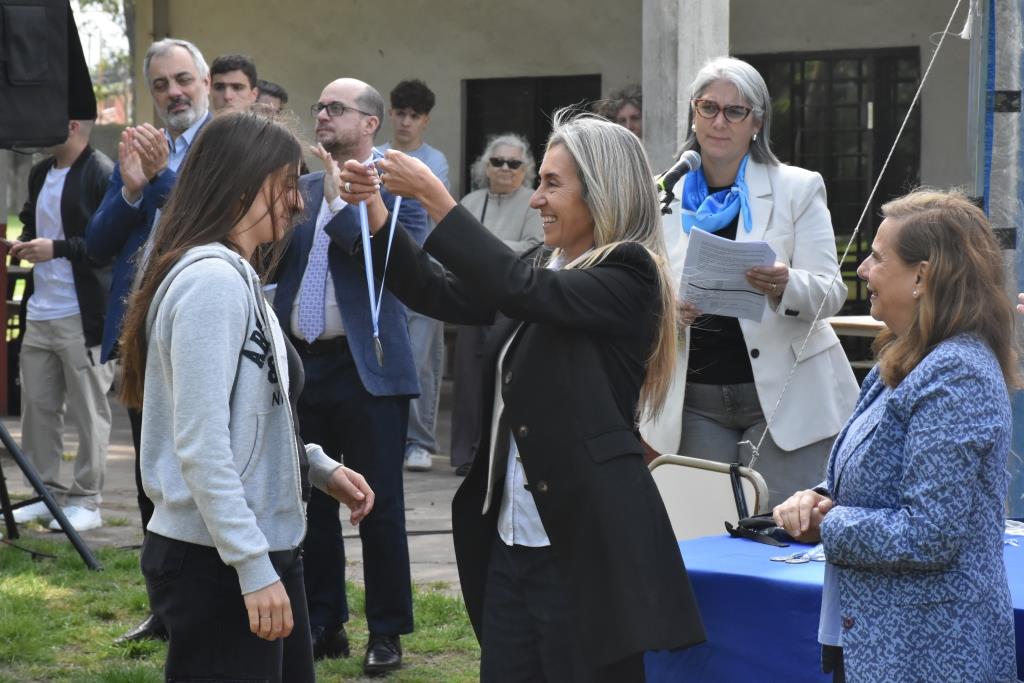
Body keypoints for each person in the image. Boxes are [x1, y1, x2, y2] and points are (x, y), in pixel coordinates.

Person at [338, 110, 706, 682]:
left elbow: (521, 289)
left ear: (601, 193)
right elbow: (436, 290)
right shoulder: (542, 264)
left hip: (582, 545)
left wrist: (435, 197)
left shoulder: (630, 274)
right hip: (513, 539)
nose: (536, 200)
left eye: (552, 184)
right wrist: (376, 211)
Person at [116, 111, 374, 683]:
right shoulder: (211, 283)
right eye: (286, 184)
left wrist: (313, 466)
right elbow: (202, 446)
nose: (299, 201)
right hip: (220, 558)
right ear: (240, 184)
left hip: (247, 546)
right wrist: (253, 568)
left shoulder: (236, 275)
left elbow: (248, 416)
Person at [774, 189, 1018, 683]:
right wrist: (814, 500)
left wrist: (829, 524)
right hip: (882, 644)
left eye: (878, 258)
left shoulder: (956, 374)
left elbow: (930, 534)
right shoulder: (908, 360)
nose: (863, 270)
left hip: (930, 655)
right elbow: (873, 483)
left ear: (922, 277)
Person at [644, 56, 858, 504]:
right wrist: (665, 307)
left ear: (756, 123)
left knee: (780, 525)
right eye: (708, 107)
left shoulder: (797, 187)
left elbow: (831, 292)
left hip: (785, 397)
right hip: (695, 398)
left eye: (735, 111)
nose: (719, 121)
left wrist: (785, 285)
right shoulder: (663, 192)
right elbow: (638, 286)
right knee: (706, 525)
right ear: (693, 114)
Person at [270, 77, 426, 674]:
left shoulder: (401, 188)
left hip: (369, 369)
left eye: (336, 108)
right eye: (319, 106)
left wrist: (341, 205)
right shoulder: (302, 188)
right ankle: (324, 620)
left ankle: (386, 631)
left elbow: (392, 264)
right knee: (309, 499)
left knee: (379, 505)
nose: (322, 115)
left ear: (370, 123)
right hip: (302, 367)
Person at [86, 36, 213, 644]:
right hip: (142, 339)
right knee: (150, 479)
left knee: (203, 472)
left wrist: (160, 178)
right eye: (161, 84)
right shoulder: (140, 148)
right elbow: (97, 243)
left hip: (204, 334)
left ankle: (212, 605)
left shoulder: (224, 144)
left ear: (205, 83)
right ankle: (165, 609)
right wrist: (132, 189)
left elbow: (204, 223)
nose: (173, 93)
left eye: (183, 79)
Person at [10, 118, 114, 532]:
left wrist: (56, 248)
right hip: (40, 311)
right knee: (37, 408)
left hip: (83, 316)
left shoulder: (101, 172)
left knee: (90, 412)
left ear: (71, 125)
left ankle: (87, 500)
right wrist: (24, 243)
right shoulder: (40, 172)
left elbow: (107, 245)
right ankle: (43, 494)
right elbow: (32, 220)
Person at [450, 133, 543, 476]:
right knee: (466, 379)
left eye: (513, 163)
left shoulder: (534, 202)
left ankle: (493, 454)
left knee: (502, 377)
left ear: (525, 169)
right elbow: (453, 244)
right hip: (470, 297)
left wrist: (482, 247)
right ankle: (465, 454)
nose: (505, 168)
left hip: (511, 304)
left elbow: (535, 246)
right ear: (485, 167)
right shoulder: (471, 201)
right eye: (497, 161)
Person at [379, 78, 449, 472]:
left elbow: (426, 210)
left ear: (425, 120)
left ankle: (419, 441)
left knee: (421, 359)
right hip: (383, 272)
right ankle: (391, 436)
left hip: (423, 269)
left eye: (414, 116)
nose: (406, 122)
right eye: (401, 114)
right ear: (390, 114)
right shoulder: (377, 155)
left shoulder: (434, 161)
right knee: (385, 355)